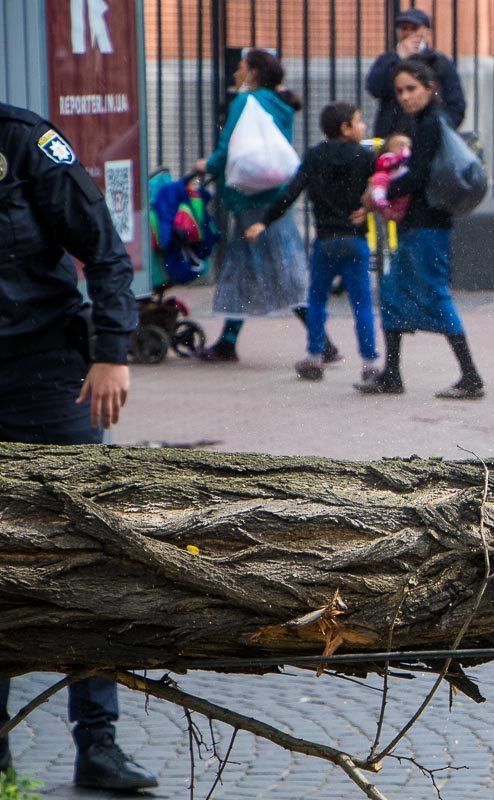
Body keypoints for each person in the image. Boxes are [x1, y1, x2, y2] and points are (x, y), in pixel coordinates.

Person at [0, 102, 158, 791]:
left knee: (85, 550)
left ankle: (98, 742)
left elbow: (105, 250)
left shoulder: (23, 141)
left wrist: (112, 353)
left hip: (49, 376)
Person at [194, 49, 335, 364]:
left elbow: (229, 146)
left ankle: (323, 342)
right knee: (247, 268)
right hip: (274, 196)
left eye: (241, 68)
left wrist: (208, 165)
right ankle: (228, 341)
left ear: (254, 73)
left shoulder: (246, 102)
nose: (235, 73)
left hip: (250, 200)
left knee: (282, 269)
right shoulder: (281, 104)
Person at [357, 59, 485, 398]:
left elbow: (419, 177)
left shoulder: (431, 123)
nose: (405, 96)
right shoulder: (424, 121)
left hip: (429, 225)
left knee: (436, 295)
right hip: (421, 224)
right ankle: (392, 375)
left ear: (429, 88)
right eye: (399, 91)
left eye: (411, 89)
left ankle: (471, 378)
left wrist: (378, 193)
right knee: (392, 294)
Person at [245, 102, 380, 384]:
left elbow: (290, 192)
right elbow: (381, 187)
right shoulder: (364, 157)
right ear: (345, 128)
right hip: (355, 239)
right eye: (358, 122)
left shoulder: (315, 156)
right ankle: (369, 363)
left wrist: (264, 221)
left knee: (317, 300)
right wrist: (368, 209)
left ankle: (315, 357)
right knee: (362, 303)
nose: (363, 126)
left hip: (326, 241)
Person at [364, 7, 466, 140]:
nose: (408, 33)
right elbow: (375, 88)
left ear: (427, 32)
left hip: (429, 135)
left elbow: (456, 104)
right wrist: (398, 58)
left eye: (414, 28)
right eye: (403, 28)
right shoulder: (387, 60)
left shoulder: (439, 61)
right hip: (393, 135)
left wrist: (439, 130)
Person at [369, 132, 413, 222]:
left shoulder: (412, 166)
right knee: (380, 178)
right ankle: (379, 197)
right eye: (400, 145)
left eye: (409, 146)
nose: (405, 148)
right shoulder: (387, 159)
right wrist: (401, 156)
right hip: (389, 203)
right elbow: (389, 163)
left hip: (407, 208)